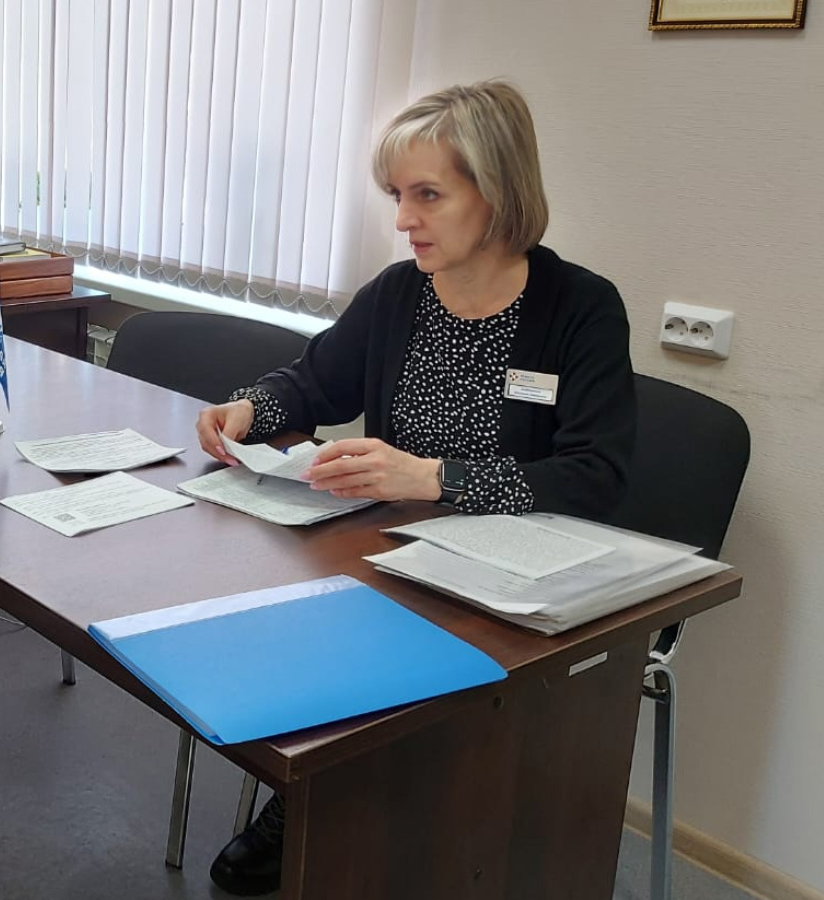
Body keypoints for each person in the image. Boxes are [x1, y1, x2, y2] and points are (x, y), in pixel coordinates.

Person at [196, 80, 635, 896]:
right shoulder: (400, 293)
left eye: (427, 195)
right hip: (392, 551)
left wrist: (434, 477)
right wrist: (252, 409)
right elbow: (314, 382)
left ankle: (380, 811)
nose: (403, 219)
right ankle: (314, 793)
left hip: (512, 574)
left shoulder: (581, 309)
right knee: (284, 607)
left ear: (497, 190)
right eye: (397, 195)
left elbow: (593, 477)